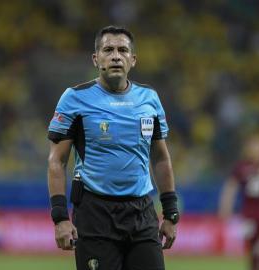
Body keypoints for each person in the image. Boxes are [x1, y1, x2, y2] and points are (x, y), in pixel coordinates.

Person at [47, 25, 179, 270]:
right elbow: (57, 161)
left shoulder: (149, 99)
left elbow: (161, 158)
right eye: (108, 50)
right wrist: (60, 217)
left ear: (133, 59)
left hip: (142, 213)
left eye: (122, 50)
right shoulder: (74, 98)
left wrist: (171, 213)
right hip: (95, 214)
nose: (116, 55)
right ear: (96, 59)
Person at [219, 134, 259, 270]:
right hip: (249, 212)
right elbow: (231, 187)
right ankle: (256, 265)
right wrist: (226, 207)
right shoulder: (242, 167)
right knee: (252, 245)